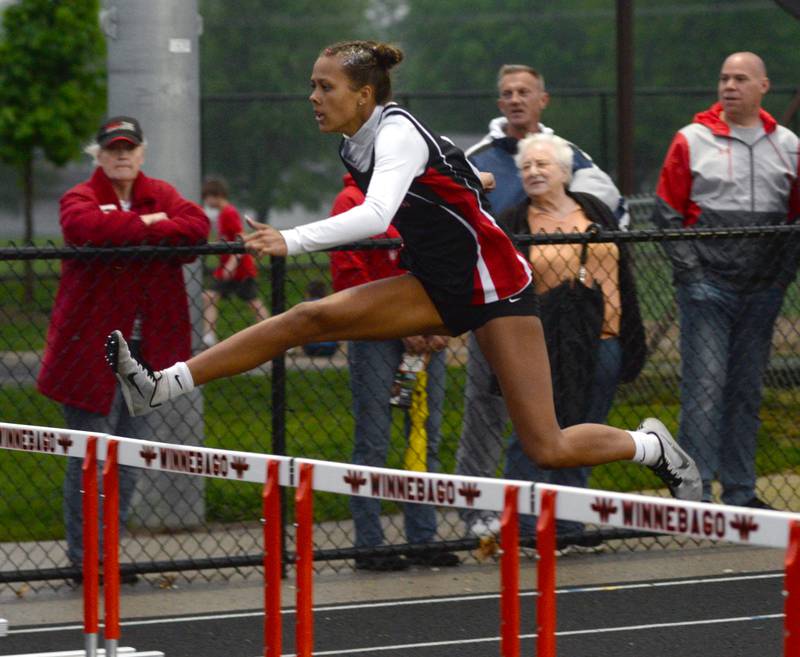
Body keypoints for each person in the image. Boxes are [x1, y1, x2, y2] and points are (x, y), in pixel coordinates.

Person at [104, 40, 701, 543]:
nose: (313, 97)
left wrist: (291, 239)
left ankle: (648, 446)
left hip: (495, 286)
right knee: (307, 318)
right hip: (437, 284)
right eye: (312, 86)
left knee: (547, 444)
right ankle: (160, 385)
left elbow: (374, 214)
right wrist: (474, 179)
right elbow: (457, 175)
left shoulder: (394, 133)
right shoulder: (355, 142)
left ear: (364, 95)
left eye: (324, 87)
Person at [456, 64, 631, 539]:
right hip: (496, 314)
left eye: (524, 92)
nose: (515, 100)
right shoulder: (479, 158)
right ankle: (485, 513)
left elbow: (618, 218)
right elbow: (461, 227)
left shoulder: (578, 163)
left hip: (587, 335)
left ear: (542, 99)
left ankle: (568, 525)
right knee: (489, 412)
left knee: (575, 425)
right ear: (499, 103)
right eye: (507, 93)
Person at [36, 115, 209, 579]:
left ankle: (108, 557)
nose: (122, 155)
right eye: (113, 149)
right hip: (88, 351)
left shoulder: (164, 194)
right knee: (91, 457)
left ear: (142, 153)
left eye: (129, 148)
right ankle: (83, 560)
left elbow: (195, 230)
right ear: (99, 155)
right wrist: (152, 226)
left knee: (129, 456)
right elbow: (87, 228)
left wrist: (134, 224)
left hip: (145, 351)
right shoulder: (81, 196)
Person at [652, 52, 800, 508]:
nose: (729, 86)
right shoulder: (691, 139)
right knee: (704, 390)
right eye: (723, 78)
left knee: (745, 392)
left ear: (763, 87)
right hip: (708, 287)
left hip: (762, 290)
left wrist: (780, 277)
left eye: (740, 78)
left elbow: (796, 220)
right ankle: (694, 496)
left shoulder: (790, 145)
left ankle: (741, 492)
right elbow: (665, 213)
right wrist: (692, 274)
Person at [499, 133, 645, 541]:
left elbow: (624, 276)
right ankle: (524, 528)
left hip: (603, 340)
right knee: (535, 433)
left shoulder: (595, 210)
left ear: (564, 172)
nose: (533, 172)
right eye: (526, 167)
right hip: (543, 347)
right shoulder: (515, 221)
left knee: (585, 430)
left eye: (542, 165)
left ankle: (567, 526)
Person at [329, 173, 456, 570]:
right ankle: (370, 545)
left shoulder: (423, 196)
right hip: (375, 335)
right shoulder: (350, 201)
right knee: (373, 441)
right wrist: (401, 324)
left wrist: (440, 320)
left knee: (424, 436)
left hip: (426, 332)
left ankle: (423, 537)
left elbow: (446, 258)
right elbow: (351, 277)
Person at [201, 177, 269, 348]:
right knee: (209, 296)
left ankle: (272, 333)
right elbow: (227, 238)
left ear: (216, 195)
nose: (206, 201)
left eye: (207, 197)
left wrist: (231, 263)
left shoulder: (229, 212)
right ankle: (209, 336)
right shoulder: (223, 214)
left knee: (254, 303)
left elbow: (241, 238)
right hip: (227, 269)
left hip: (240, 269)